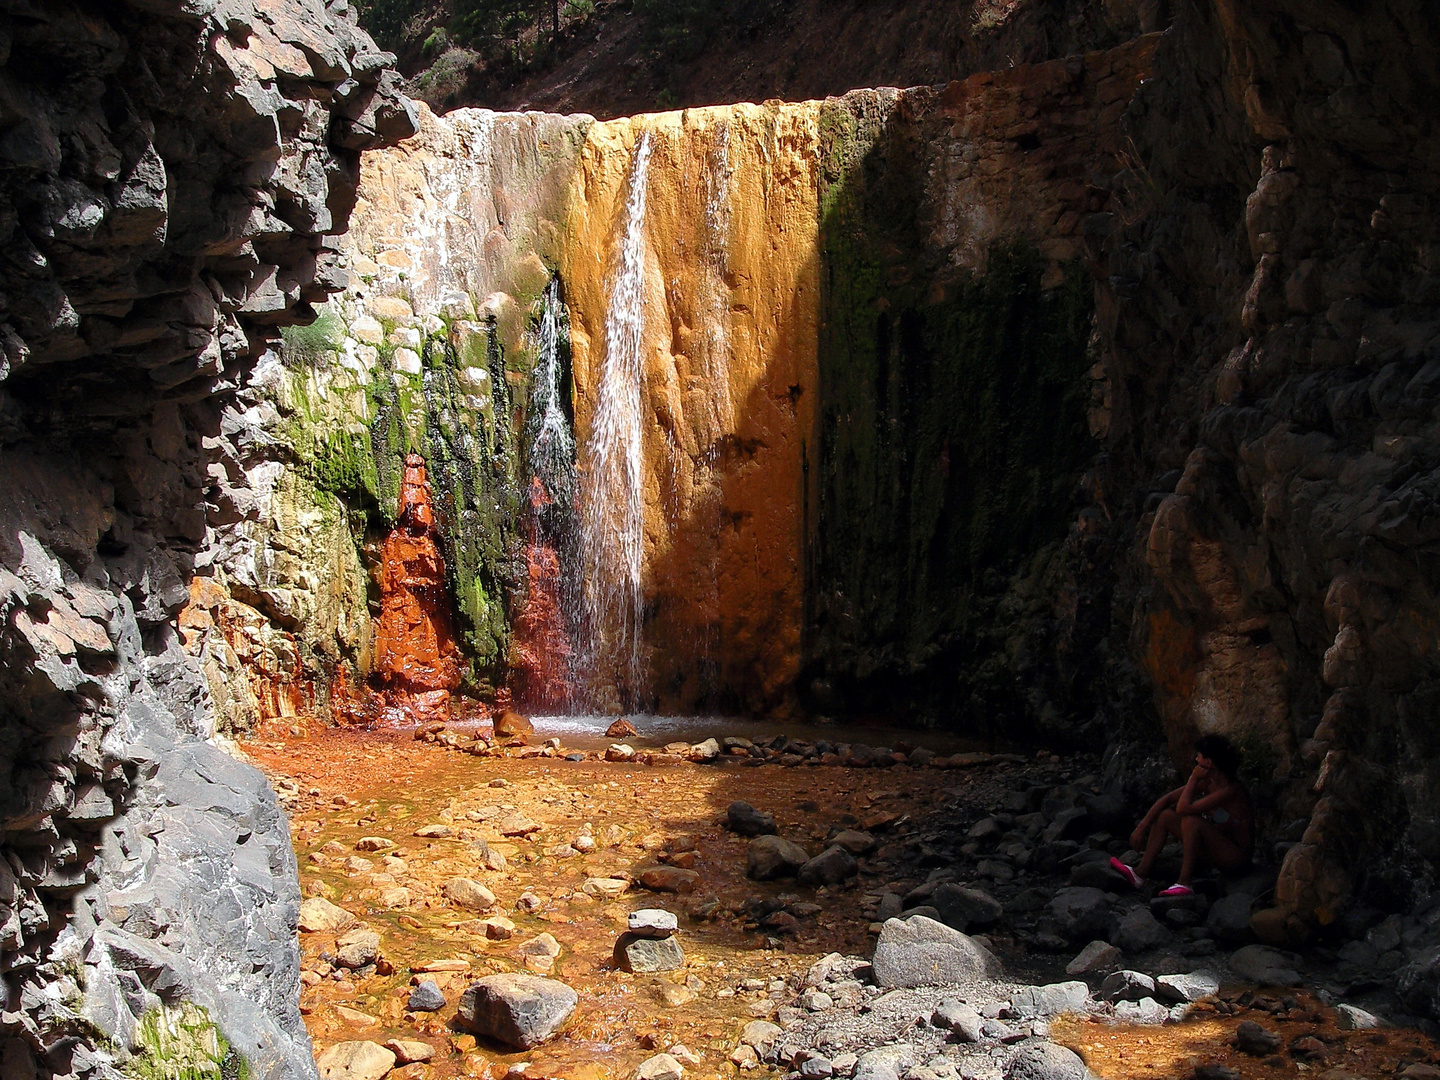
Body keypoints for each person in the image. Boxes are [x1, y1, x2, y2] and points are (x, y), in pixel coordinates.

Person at [1111, 734, 1254, 897]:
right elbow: (1168, 799)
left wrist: (1193, 779)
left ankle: (1184, 882)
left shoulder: (1229, 790)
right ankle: (1140, 873)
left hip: (1235, 857)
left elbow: (1183, 809)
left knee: (1191, 822)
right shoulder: (1208, 783)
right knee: (1165, 816)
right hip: (1217, 847)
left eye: (1199, 756)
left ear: (1208, 762)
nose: (1196, 759)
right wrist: (1142, 826)